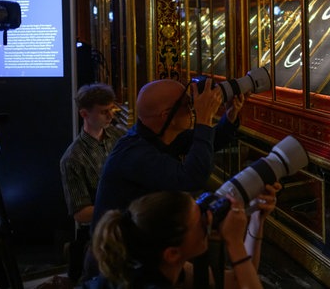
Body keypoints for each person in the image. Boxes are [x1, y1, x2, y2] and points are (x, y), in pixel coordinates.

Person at [91, 77, 245, 229]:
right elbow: (193, 177)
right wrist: (204, 118)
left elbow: (207, 143)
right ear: (166, 116)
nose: (192, 109)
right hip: (115, 249)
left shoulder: (153, 134)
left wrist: (230, 115)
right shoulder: (136, 154)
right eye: (187, 104)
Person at [87, 183, 281, 289]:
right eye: (200, 221)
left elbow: (239, 281)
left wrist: (256, 218)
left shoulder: (144, 263)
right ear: (172, 253)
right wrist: (234, 242)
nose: (209, 218)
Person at [60, 83, 125, 282]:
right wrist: (123, 206)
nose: (110, 116)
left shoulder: (118, 136)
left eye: (111, 110)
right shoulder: (73, 158)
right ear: (84, 114)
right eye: (104, 112)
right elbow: (80, 213)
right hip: (98, 237)